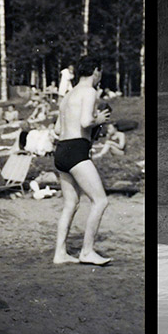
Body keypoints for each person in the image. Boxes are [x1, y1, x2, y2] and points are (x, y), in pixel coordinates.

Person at [52, 65, 112, 266]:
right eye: (100, 73)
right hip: (76, 150)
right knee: (100, 201)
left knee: (71, 204)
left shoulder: (68, 95)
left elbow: (57, 128)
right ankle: (87, 251)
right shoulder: (90, 91)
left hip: (61, 149)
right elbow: (86, 121)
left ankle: (60, 253)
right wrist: (100, 119)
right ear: (95, 71)